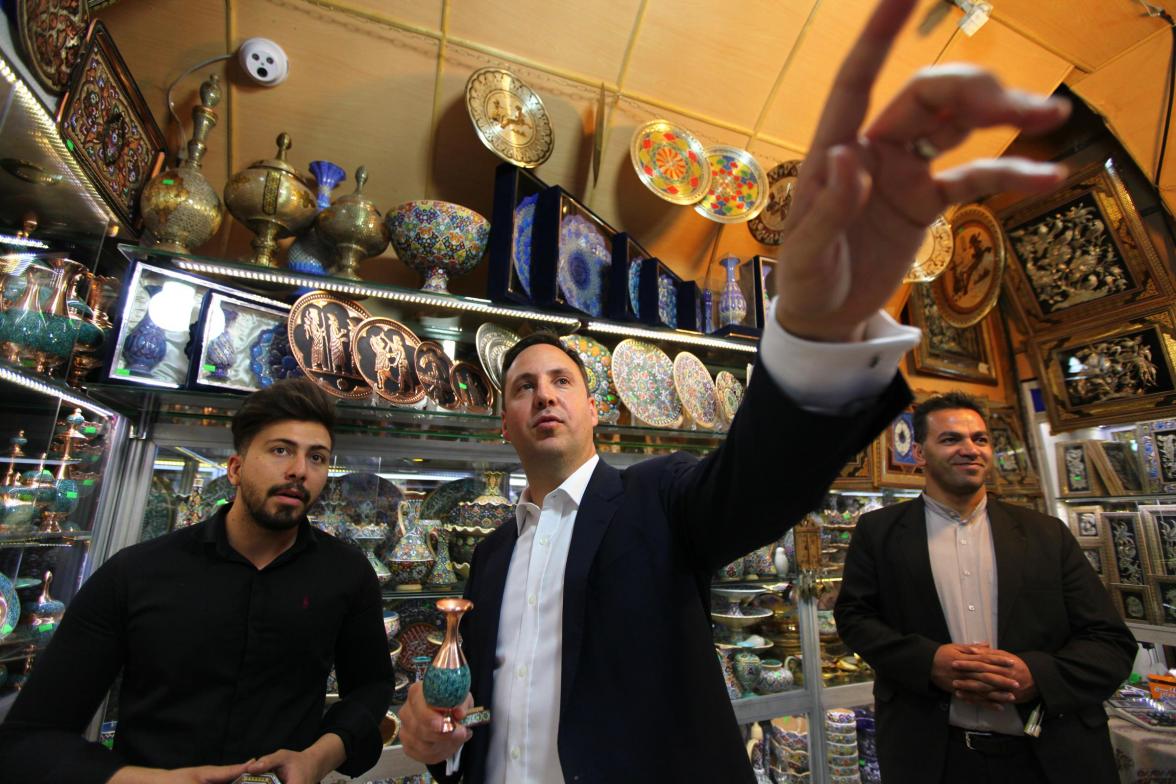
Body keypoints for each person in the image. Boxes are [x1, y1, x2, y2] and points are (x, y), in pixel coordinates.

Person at [399, 0, 1076, 779]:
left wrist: (823, 326)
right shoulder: (488, 557)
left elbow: (762, 474)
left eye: (562, 380)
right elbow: (485, 706)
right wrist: (436, 731)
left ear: (596, 409)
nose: (545, 394)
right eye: (523, 386)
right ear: (504, 420)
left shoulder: (660, 501)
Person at [0, 378, 393, 783]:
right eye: (280, 450)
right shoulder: (136, 573)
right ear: (236, 468)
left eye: (318, 458)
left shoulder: (345, 573)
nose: (299, 471)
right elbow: (31, 738)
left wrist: (319, 757)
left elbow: (372, 687)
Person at [834, 391, 1136, 784]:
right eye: (951, 439)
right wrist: (929, 663)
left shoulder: (1046, 535)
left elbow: (1111, 643)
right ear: (919, 453)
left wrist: (1035, 675)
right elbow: (855, 618)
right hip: (932, 759)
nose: (970, 450)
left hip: (1048, 757)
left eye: (980, 439)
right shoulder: (879, 533)